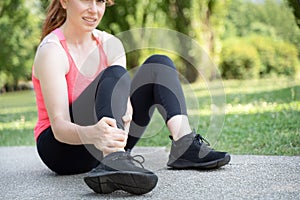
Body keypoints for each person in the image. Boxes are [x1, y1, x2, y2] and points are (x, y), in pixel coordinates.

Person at [32, 0, 230, 195]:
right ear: (64, 2)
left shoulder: (110, 44)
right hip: (62, 149)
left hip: (108, 140)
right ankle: (114, 160)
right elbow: (59, 128)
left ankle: (184, 146)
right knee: (114, 74)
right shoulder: (52, 51)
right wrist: (95, 134)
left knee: (158, 63)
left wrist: (122, 121)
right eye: (86, 0)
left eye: (100, 1)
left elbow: (122, 105)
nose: (94, 9)